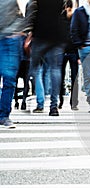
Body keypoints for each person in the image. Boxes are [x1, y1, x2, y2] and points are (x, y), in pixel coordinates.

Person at [25, 0, 69, 116]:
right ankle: (53, 107)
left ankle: (39, 101)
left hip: (41, 33)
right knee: (55, 70)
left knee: (35, 69)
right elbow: (65, 11)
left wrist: (29, 33)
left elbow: (31, 14)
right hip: (57, 34)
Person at [0, 0, 27, 128]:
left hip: (9, 38)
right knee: (9, 79)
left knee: (9, 79)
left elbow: (21, 16)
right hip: (8, 38)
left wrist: (17, 31)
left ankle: (4, 115)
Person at [59, 0, 80, 111]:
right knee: (60, 78)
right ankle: (60, 100)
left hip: (73, 52)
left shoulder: (76, 18)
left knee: (74, 78)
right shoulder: (60, 18)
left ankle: (74, 102)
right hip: (63, 52)